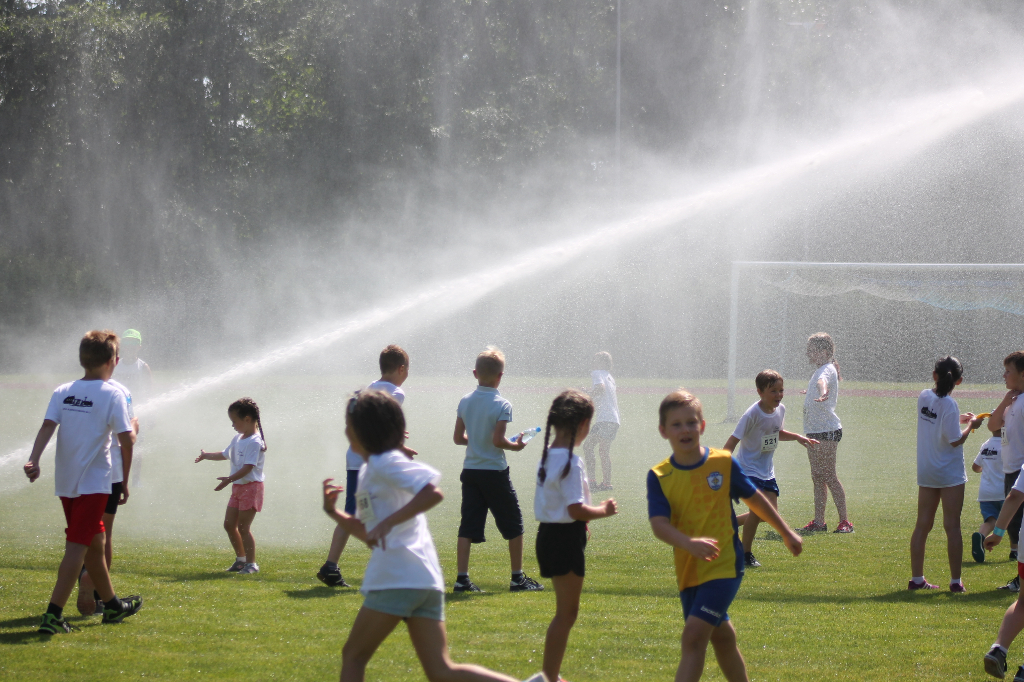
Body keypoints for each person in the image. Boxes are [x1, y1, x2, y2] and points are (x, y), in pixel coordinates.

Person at [322, 389, 521, 682]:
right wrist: (335, 513)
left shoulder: (385, 462)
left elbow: (432, 492)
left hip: (396, 577)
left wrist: (389, 522)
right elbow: (370, 536)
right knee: (441, 671)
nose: (344, 429)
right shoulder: (369, 472)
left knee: (353, 656)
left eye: (348, 422)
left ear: (362, 429)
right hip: (423, 581)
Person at [648, 390, 802, 682]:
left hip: (725, 566)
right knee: (722, 638)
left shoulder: (721, 464)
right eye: (677, 424)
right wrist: (689, 543)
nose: (685, 429)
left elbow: (756, 499)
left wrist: (786, 532)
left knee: (693, 638)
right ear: (663, 431)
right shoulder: (660, 476)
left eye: (691, 422)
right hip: (689, 571)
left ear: (702, 426)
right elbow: (659, 525)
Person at [23, 330, 143, 633]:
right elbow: (126, 439)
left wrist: (34, 459)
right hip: (94, 484)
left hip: (66, 482)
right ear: (112, 361)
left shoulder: (64, 390)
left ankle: (113, 607)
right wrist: (128, 467)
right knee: (78, 548)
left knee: (95, 546)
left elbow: (48, 424)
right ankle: (53, 615)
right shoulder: (113, 393)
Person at [532, 389, 618, 682]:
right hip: (563, 540)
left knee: (565, 612)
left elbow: (559, 504)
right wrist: (602, 511)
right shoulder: (572, 461)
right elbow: (575, 508)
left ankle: (550, 676)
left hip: (550, 536)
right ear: (582, 424)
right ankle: (549, 677)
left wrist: (582, 524)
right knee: (566, 614)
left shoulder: (548, 456)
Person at [317, 344, 417, 588]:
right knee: (376, 513)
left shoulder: (370, 387)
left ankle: (333, 566)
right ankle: (385, 569)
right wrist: (400, 447)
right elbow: (382, 427)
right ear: (401, 368)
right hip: (373, 463)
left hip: (356, 459)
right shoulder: (395, 392)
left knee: (360, 513)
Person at [452, 347, 542, 593]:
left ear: (475, 373)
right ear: (500, 376)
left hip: (470, 471)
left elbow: (459, 438)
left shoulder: (465, 401)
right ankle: (517, 578)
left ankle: (462, 579)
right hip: (494, 471)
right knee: (514, 523)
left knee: (467, 526)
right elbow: (499, 441)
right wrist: (517, 446)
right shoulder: (503, 404)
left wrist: (478, 437)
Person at [723, 370, 817, 568]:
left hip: (767, 471)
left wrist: (798, 437)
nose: (778, 395)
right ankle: (744, 554)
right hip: (748, 470)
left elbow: (777, 432)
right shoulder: (751, 414)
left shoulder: (780, 409)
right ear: (760, 392)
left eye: (781, 390)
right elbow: (733, 440)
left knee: (769, 514)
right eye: (773, 391)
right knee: (758, 512)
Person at [909, 356, 984, 592]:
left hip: (927, 471)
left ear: (934, 375)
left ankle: (917, 579)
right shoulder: (950, 405)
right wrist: (971, 426)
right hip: (949, 473)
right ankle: (955, 582)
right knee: (952, 526)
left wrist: (959, 419)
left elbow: (936, 420)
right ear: (958, 381)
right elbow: (954, 440)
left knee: (922, 525)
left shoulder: (924, 396)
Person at [77, 375, 139, 615]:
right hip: (109, 472)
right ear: (113, 360)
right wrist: (125, 480)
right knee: (104, 535)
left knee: (79, 537)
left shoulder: (72, 389)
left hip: (79, 472)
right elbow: (127, 441)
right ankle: (99, 595)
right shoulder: (120, 391)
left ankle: (83, 576)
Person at [195, 398, 267, 575]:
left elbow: (248, 467)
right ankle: (240, 561)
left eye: (234, 421)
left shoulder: (255, 442)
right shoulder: (238, 438)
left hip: (251, 487)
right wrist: (206, 456)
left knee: (243, 527)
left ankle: (252, 564)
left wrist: (229, 479)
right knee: (229, 525)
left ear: (247, 419)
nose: (233, 425)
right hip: (238, 486)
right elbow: (226, 454)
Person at [798, 333, 853, 534]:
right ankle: (819, 522)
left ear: (824, 352)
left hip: (827, 431)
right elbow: (818, 382)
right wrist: (811, 392)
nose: (808, 354)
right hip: (813, 431)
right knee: (817, 476)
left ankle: (845, 522)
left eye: (811, 350)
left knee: (829, 475)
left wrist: (822, 393)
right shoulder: (821, 369)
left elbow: (823, 382)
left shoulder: (826, 369)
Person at [992, 351, 1024, 592]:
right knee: (1016, 528)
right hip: (1010, 469)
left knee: (1021, 527)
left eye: (1008, 371)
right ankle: (1019, 577)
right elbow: (993, 426)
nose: (1004, 375)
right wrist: (1004, 401)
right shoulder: (1014, 400)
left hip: (1021, 470)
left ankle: (1019, 581)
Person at [111, 329, 152, 488]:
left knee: (137, 446)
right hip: (115, 411)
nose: (129, 347)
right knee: (115, 445)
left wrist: (151, 415)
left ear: (139, 346)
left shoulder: (142, 366)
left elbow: (149, 391)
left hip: (135, 412)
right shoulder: (115, 364)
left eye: (133, 343)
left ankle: (136, 479)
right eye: (126, 343)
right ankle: (117, 478)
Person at [583, 351, 620, 492]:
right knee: (603, 451)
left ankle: (592, 481)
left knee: (588, 447)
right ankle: (606, 483)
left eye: (595, 359)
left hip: (605, 418)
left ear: (602, 362)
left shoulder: (597, 373)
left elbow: (600, 388)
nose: (593, 361)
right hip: (614, 419)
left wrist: (588, 394)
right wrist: (589, 391)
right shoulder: (609, 377)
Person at [972, 431, 1006, 563]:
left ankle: (981, 536)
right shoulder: (1007, 444)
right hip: (1003, 492)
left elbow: (975, 467)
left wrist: (985, 469)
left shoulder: (986, 444)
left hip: (985, 493)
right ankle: (1015, 550)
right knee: (1012, 521)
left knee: (990, 521)